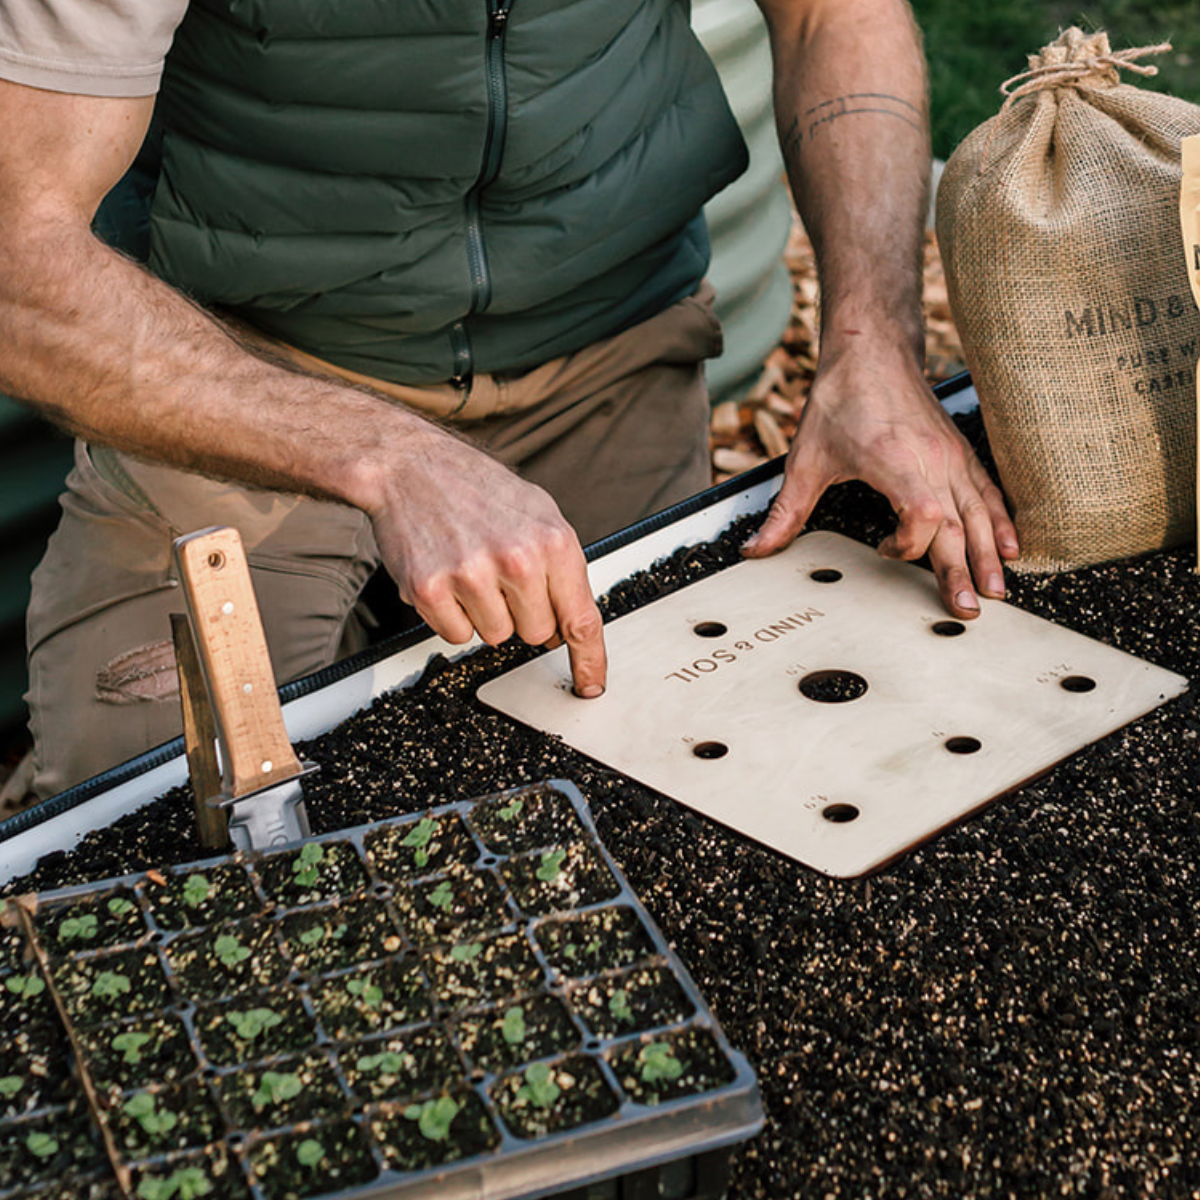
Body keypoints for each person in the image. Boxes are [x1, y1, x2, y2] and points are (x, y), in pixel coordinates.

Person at [0, 0, 1018, 801]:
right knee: (152, 820)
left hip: (604, 354)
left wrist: (872, 344)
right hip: (242, 379)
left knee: (674, 797)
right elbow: (16, 261)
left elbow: (832, 13)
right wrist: (387, 456)